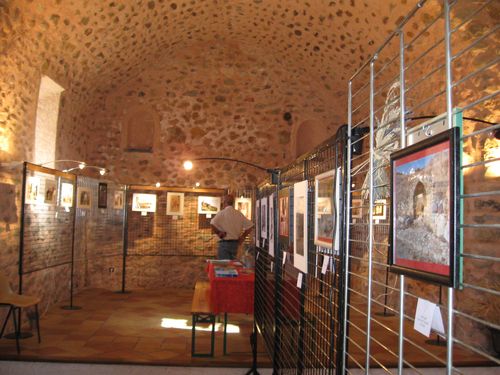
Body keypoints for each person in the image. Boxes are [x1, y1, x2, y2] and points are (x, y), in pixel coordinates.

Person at [210, 194, 254, 260]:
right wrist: (243, 237)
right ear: (233, 202)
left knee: (224, 266)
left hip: (224, 244)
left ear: (224, 202)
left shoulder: (222, 213)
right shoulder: (239, 214)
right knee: (234, 265)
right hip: (235, 245)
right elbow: (250, 226)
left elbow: (212, 224)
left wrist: (218, 232)